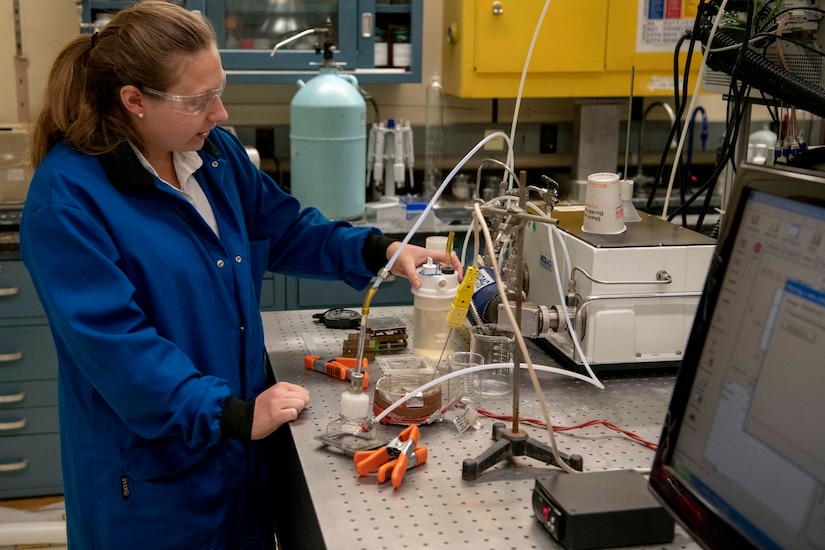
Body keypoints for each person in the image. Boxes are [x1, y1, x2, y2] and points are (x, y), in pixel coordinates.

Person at [20, 2, 460, 548]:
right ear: (134, 101)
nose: (221, 113)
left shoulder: (214, 155)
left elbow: (286, 230)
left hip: (238, 451)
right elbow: (119, 350)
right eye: (199, 100)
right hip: (153, 480)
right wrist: (229, 415)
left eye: (219, 90)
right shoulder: (69, 200)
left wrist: (381, 250)